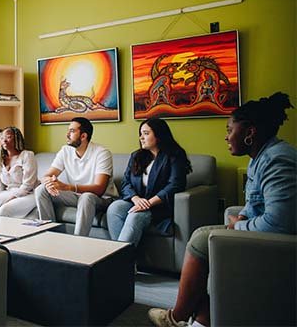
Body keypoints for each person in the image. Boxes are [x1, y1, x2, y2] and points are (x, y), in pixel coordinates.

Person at [148, 92, 296, 327]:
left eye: (229, 130)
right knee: (204, 239)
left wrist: (238, 225)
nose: (226, 137)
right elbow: (255, 200)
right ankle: (201, 321)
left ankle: (176, 318)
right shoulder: (259, 157)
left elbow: (279, 223)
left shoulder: (277, 160)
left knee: (200, 239)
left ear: (250, 132)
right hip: (266, 237)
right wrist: (245, 215)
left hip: (279, 248)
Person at [107, 118, 192, 247]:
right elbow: (126, 182)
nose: (141, 137)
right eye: (141, 134)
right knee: (115, 208)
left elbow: (175, 185)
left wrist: (148, 203)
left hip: (158, 208)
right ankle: (124, 258)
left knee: (135, 216)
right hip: (136, 203)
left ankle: (119, 262)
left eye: (146, 133)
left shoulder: (174, 155)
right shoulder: (136, 156)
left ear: (158, 135)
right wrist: (135, 199)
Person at [35, 117, 117, 236]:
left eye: (72, 131)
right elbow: (46, 175)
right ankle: (50, 235)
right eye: (68, 130)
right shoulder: (65, 151)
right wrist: (48, 182)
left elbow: (99, 189)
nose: (67, 134)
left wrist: (68, 187)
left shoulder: (102, 153)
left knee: (86, 197)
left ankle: (78, 240)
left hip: (102, 199)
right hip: (76, 196)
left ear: (83, 136)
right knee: (41, 190)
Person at [0, 126, 38, 218]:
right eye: (2, 138)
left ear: (17, 139)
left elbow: (28, 185)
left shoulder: (27, 155)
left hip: (28, 193)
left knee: (3, 211)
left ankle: (3, 232)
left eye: (8, 137)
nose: (4, 140)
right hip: (9, 191)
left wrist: (12, 198)